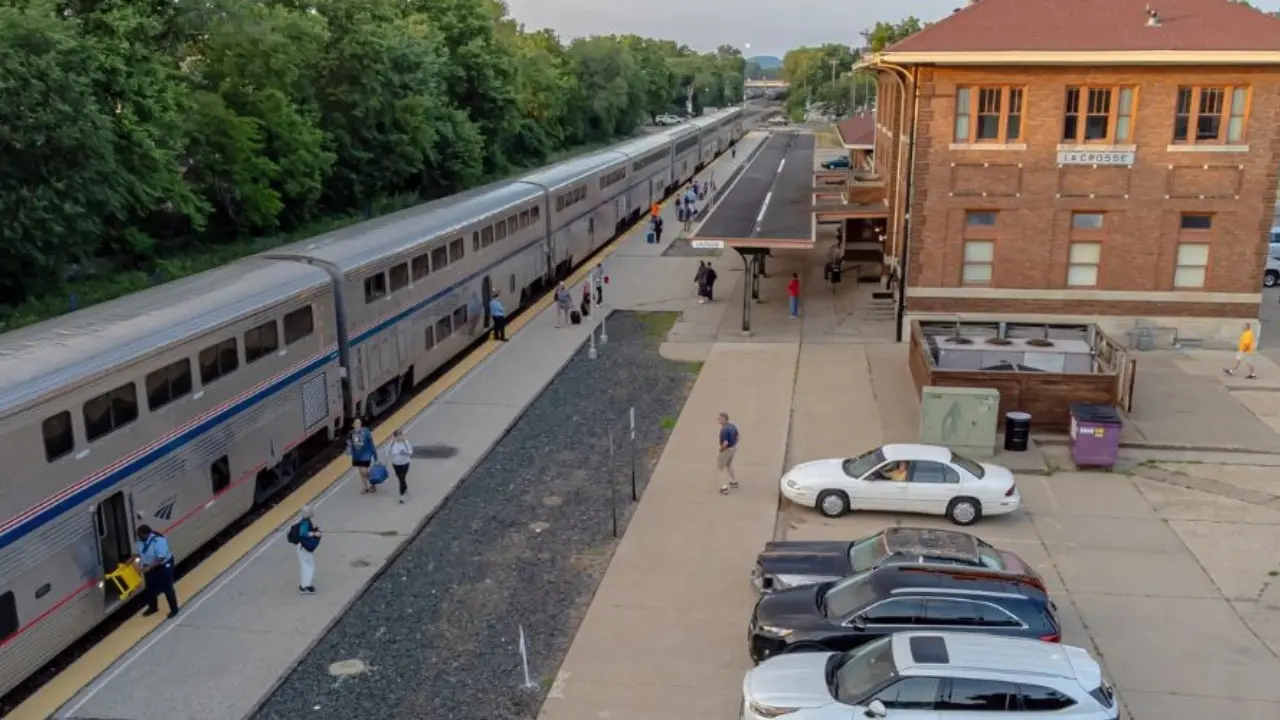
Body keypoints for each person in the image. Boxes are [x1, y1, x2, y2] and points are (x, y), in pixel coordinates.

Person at [136, 524, 179, 618]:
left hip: (163, 566)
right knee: (150, 588)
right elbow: (140, 552)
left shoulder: (158, 541)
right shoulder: (140, 542)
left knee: (167, 588)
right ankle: (153, 608)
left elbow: (160, 557)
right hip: (149, 566)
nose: (138, 537)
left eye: (140, 535)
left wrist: (149, 567)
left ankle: (174, 609)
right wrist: (133, 558)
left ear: (146, 534)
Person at [294, 506, 321, 595]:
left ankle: (303, 585)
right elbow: (303, 533)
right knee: (309, 566)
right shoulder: (305, 523)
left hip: (300, 547)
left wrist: (313, 527)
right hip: (304, 548)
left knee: (304, 565)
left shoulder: (304, 521)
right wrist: (314, 533)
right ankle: (307, 587)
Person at [348, 419, 377, 493]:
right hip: (357, 456)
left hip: (366, 455)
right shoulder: (351, 433)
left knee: (364, 471)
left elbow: (371, 444)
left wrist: (375, 455)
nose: (357, 425)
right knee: (361, 472)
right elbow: (350, 444)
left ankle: (372, 482)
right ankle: (365, 487)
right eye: (356, 423)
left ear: (361, 424)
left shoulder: (366, 432)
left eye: (359, 423)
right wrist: (350, 451)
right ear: (353, 425)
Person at [716, 412, 739, 494]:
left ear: (724, 419)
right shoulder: (732, 426)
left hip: (726, 450)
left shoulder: (724, 430)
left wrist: (721, 449)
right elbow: (738, 436)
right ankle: (734, 481)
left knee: (720, 468)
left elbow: (725, 443)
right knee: (729, 464)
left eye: (719, 419)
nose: (718, 420)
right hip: (733, 448)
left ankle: (724, 487)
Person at [388, 429, 414, 503]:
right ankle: (405, 487)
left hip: (405, 464)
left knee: (402, 478)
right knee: (400, 478)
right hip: (396, 464)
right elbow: (387, 452)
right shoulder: (392, 443)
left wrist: (405, 453)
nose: (400, 437)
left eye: (401, 435)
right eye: (398, 436)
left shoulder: (406, 443)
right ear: (395, 437)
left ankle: (402, 496)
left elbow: (411, 452)